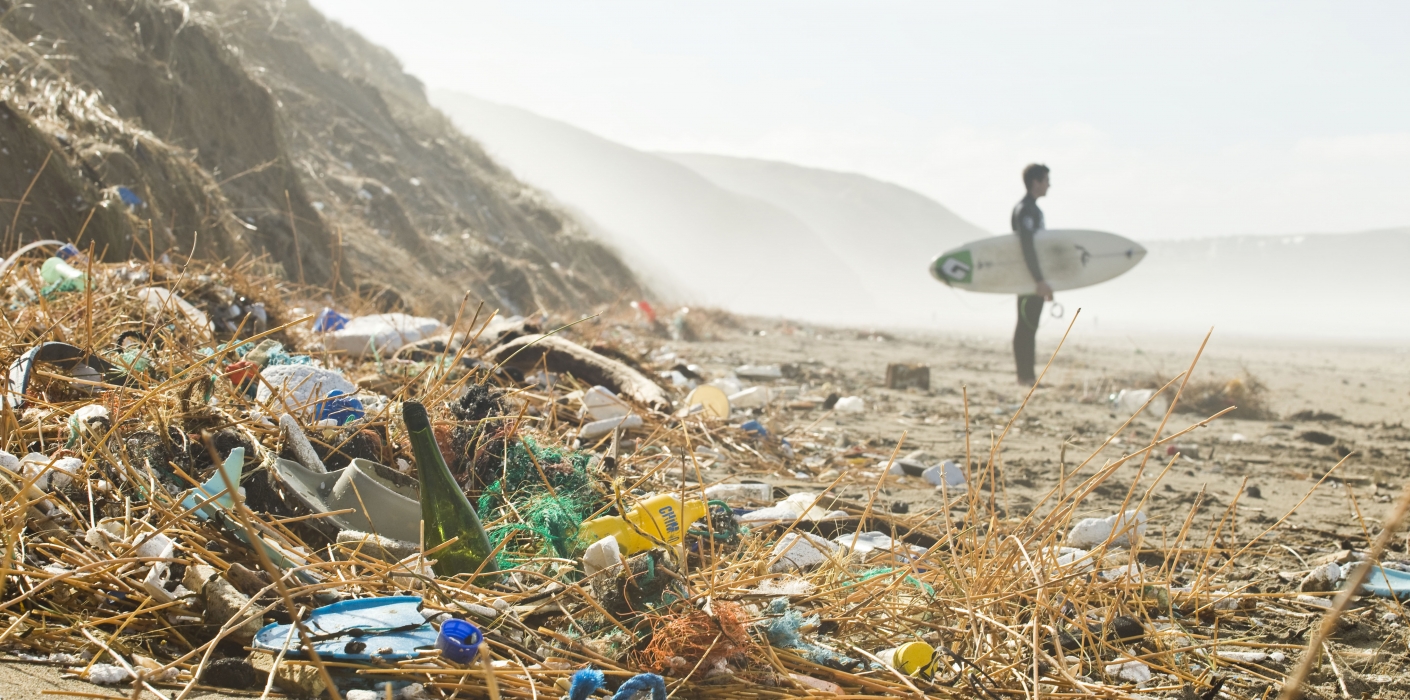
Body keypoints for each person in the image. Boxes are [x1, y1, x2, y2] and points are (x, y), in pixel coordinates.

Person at [1011, 163, 1052, 386]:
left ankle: (1028, 375)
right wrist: (1038, 280)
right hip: (1028, 279)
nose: (1049, 185)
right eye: (1046, 180)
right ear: (1036, 182)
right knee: (1026, 326)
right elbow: (1027, 246)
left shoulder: (1033, 209)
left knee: (1030, 326)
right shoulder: (1025, 210)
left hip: (1033, 278)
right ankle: (1024, 376)